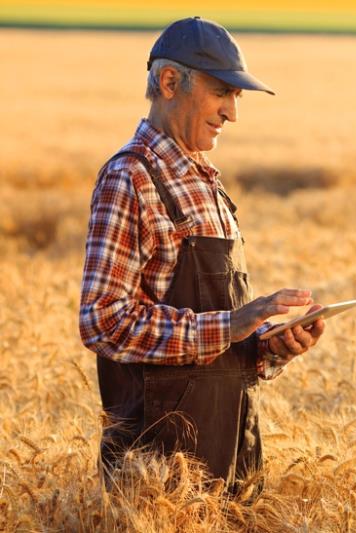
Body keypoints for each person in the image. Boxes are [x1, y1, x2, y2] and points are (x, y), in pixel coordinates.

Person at [78, 16, 325, 490]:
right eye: (222, 93)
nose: (233, 112)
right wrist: (231, 325)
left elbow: (211, 336)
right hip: (158, 480)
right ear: (170, 82)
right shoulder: (130, 177)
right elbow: (102, 321)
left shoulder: (203, 179)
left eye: (237, 97)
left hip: (232, 464)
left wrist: (269, 347)